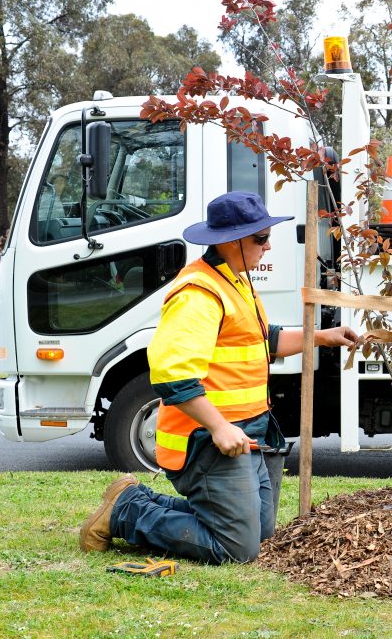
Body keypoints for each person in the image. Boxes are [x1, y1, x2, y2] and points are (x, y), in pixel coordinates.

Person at [79, 191, 358, 564]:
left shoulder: (234, 281)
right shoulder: (198, 293)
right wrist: (219, 428)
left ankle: (131, 498)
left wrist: (321, 337)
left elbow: (262, 338)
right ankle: (127, 512)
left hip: (250, 431)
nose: (269, 245)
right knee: (237, 548)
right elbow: (172, 375)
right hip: (209, 439)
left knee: (259, 534)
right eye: (260, 238)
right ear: (230, 241)